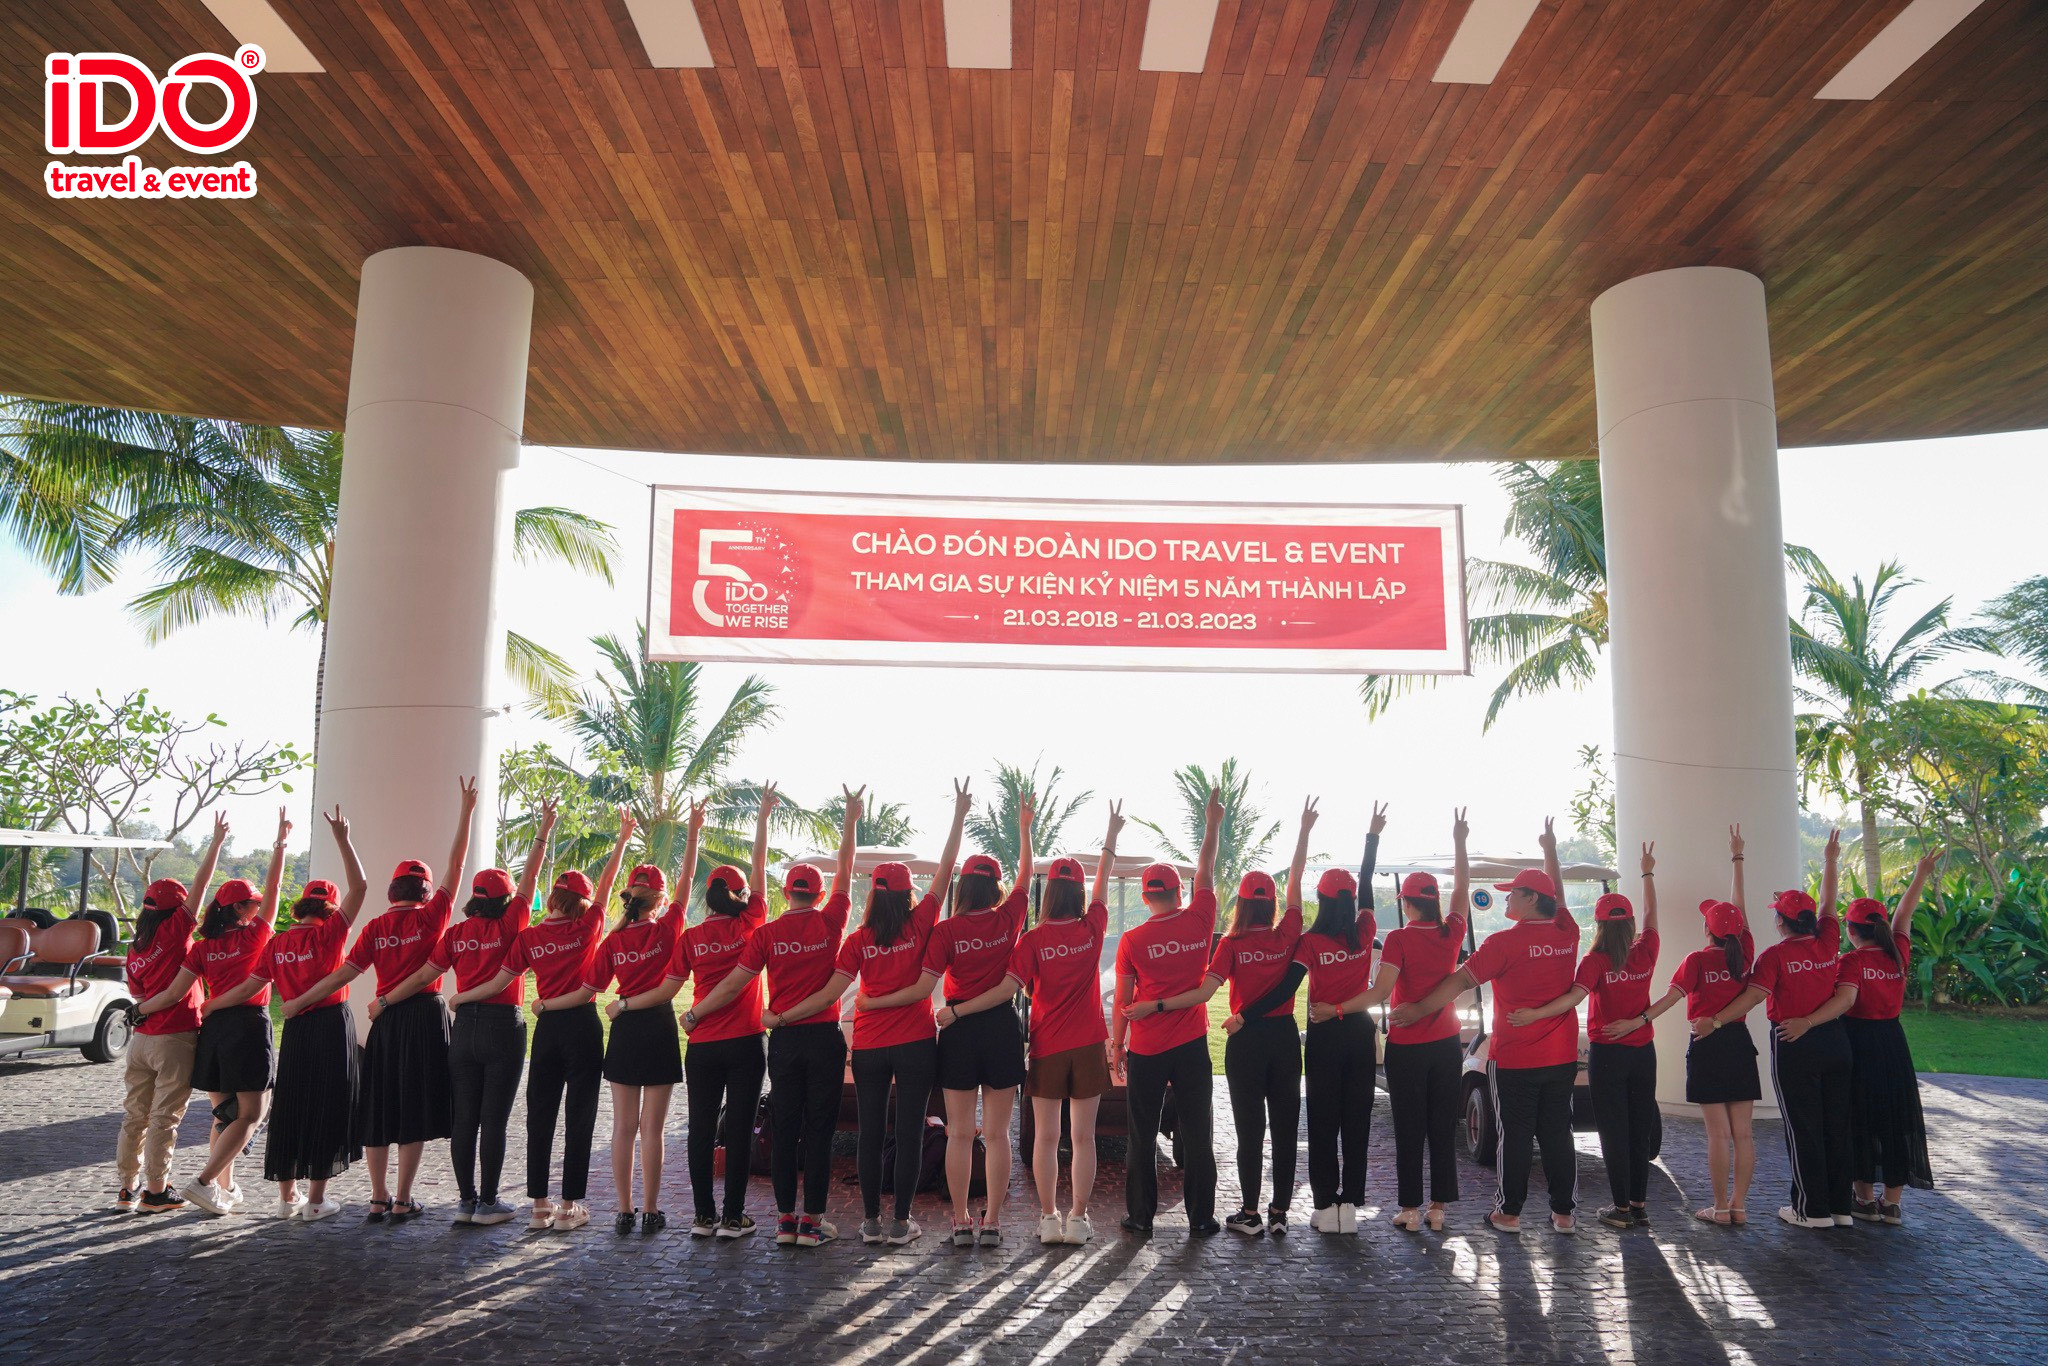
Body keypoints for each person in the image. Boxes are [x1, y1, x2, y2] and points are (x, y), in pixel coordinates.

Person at [283, 779, 478, 1221]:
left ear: (393, 891)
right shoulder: (434, 916)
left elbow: (344, 974)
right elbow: (457, 863)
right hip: (424, 1017)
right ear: (425, 891)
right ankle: (404, 1200)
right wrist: (466, 811)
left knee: (379, 1104)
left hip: (385, 1021)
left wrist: (299, 1001)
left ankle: (377, 1197)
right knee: (413, 1107)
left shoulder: (374, 929)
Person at [687, 786, 865, 1250]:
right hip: (823, 1037)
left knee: (786, 1127)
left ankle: (785, 1221)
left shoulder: (766, 933)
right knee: (821, 1131)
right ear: (820, 894)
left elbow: (733, 983)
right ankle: (813, 1222)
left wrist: (696, 1012)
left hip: (784, 1042)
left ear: (787, 893)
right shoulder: (832, 919)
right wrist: (850, 820)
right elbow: (846, 868)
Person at [1130, 798, 1317, 1237]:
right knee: (1285, 1128)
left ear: (1241, 905)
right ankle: (1279, 1213)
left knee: (1250, 1130)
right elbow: (1295, 879)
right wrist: (1303, 832)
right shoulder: (1289, 931)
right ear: (1272, 903)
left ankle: (1249, 1213)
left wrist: (1156, 1005)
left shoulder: (1230, 946)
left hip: (1245, 1041)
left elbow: (1202, 993)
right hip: (1285, 1039)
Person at [374, 798, 561, 1227]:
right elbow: (531, 876)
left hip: (464, 1033)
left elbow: (424, 975)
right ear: (506, 899)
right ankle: (489, 1203)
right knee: (494, 1120)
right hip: (503, 1027)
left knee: (465, 1120)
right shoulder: (512, 922)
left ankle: (465, 1201)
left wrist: (384, 1000)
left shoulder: (456, 933)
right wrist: (544, 829)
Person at [1394, 817, 1580, 1234]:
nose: (1507, 898)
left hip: (1515, 1057)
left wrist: (1419, 1009)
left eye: (1513, 893)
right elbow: (1559, 892)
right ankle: (1564, 1214)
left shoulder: (1504, 943)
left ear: (1531, 898)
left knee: (1515, 1135)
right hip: (1563, 1055)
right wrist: (1550, 850)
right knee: (1557, 1134)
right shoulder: (1567, 930)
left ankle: (1508, 1214)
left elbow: (1459, 981)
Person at [949, 803, 1124, 1246]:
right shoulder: (1093, 927)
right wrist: (1110, 836)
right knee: (1083, 1138)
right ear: (1078, 895)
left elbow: (1012, 988)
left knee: (1046, 1138)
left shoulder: (1031, 940)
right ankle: (1078, 1218)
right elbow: (1102, 883)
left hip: (1046, 1046)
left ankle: (1048, 1218)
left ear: (1049, 897)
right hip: (1089, 1043)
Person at [455, 807, 635, 1232]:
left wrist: (462, 998)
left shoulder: (529, 937)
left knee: (540, 1114)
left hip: (546, 1032)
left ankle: (539, 1206)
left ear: (552, 899)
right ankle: (569, 1207)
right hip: (582, 1025)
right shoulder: (589, 925)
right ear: (583, 902)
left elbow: (499, 981)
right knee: (580, 1115)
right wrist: (622, 838)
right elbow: (607, 881)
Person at [887, 792, 1035, 1246]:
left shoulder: (945, 931)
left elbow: (925, 982)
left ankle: (959, 1220)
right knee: (998, 1135)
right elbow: (1026, 876)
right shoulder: (1009, 918)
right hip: (1002, 1028)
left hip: (957, 1030)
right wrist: (1025, 828)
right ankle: (993, 1221)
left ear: (962, 888)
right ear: (995, 889)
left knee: (959, 1134)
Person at [1694, 829, 1860, 1230]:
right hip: (1836, 1040)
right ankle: (1841, 1208)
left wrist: (1716, 1021)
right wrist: (1831, 860)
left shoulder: (1773, 956)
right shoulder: (1828, 940)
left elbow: (1753, 997)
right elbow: (1829, 902)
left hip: (1793, 1040)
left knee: (1804, 1126)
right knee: (1837, 1125)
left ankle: (1811, 1210)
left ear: (1781, 922)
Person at [834, 779, 971, 1245]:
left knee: (871, 1134)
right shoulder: (922, 920)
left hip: (870, 1045)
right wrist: (959, 814)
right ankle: (900, 1224)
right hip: (915, 1044)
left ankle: (871, 1223)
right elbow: (947, 868)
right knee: (910, 1133)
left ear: (873, 895)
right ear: (907, 893)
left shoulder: (858, 939)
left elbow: (843, 871)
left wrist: (850, 822)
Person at [135, 808, 290, 1216]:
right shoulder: (257, 934)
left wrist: (140, 1010)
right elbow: (275, 886)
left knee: (224, 1114)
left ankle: (225, 1186)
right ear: (241, 909)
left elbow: (174, 992)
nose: (259, 907)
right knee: (253, 1113)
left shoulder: (202, 949)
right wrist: (280, 844)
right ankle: (204, 1183)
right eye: (253, 904)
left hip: (214, 1030)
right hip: (248, 1026)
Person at [573, 799, 711, 1236]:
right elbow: (687, 880)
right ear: (660, 899)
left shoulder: (612, 942)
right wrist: (693, 830)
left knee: (623, 1127)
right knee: (653, 1129)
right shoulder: (668, 928)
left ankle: (624, 1209)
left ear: (628, 898)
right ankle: (651, 1209)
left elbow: (591, 988)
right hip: (659, 1025)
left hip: (626, 1029)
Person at [1508, 841, 1661, 1230]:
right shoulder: (1646, 950)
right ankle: (1639, 1205)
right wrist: (1647, 873)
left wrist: (1534, 1014)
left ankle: (1621, 1209)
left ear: (1599, 925)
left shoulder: (1595, 961)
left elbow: (1572, 999)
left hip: (1608, 1056)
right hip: (1644, 1052)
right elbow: (1651, 915)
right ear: (1629, 924)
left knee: (1613, 1131)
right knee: (1640, 1127)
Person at [229, 808, 370, 1219]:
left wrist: (213, 1005)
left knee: (291, 1104)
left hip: (294, 1029)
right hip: (331, 1025)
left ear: (302, 906)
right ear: (329, 909)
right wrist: (343, 839)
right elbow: (360, 886)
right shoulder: (332, 932)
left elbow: (249, 988)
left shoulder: (275, 944)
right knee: (327, 1104)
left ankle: (287, 1197)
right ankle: (317, 1200)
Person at [1630, 826, 1760, 1225]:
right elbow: (1740, 906)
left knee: (1717, 1134)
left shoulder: (1697, 961)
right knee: (1744, 1133)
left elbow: (1670, 998)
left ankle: (1719, 1208)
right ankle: (1739, 1206)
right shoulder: (1746, 953)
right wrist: (1737, 858)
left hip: (1707, 1044)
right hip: (1739, 1042)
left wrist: (1639, 1020)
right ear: (1738, 932)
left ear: (1707, 930)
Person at [1110, 785, 1223, 1238]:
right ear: (1179, 892)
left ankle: (1141, 1216)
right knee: (1197, 1131)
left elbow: (1123, 1003)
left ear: (1144, 898)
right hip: (1192, 1043)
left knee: (1142, 1132)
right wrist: (1212, 824)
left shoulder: (1132, 940)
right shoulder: (1201, 917)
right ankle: (1202, 1217)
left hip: (1148, 1046)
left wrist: (1116, 1046)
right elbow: (1206, 867)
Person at [1357, 807, 1464, 1232]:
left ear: (1406, 902)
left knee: (1409, 1128)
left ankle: (1410, 1210)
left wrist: (1339, 1007)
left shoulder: (1399, 939)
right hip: (1447, 1044)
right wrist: (1459, 841)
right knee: (1442, 1127)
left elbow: (1382, 992)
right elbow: (1462, 890)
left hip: (1407, 1045)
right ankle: (1439, 1208)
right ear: (1434, 900)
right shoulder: (1452, 931)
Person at [117, 812, 229, 1214]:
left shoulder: (135, 947)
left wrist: (141, 1009)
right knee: (165, 1118)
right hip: (175, 1038)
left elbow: (138, 995)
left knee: (134, 1117)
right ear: (176, 910)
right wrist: (215, 843)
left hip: (141, 1042)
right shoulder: (175, 930)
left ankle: (126, 1190)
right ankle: (156, 1191)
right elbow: (201, 885)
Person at [1841, 850, 1938, 1224]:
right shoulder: (1898, 953)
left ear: (1851, 931)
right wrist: (1920, 874)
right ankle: (1892, 1203)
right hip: (1893, 1043)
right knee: (1895, 1117)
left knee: (1860, 1116)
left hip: (1858, 1042)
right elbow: (1904, 915)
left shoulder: (1851, 962)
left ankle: (1864, 1200)